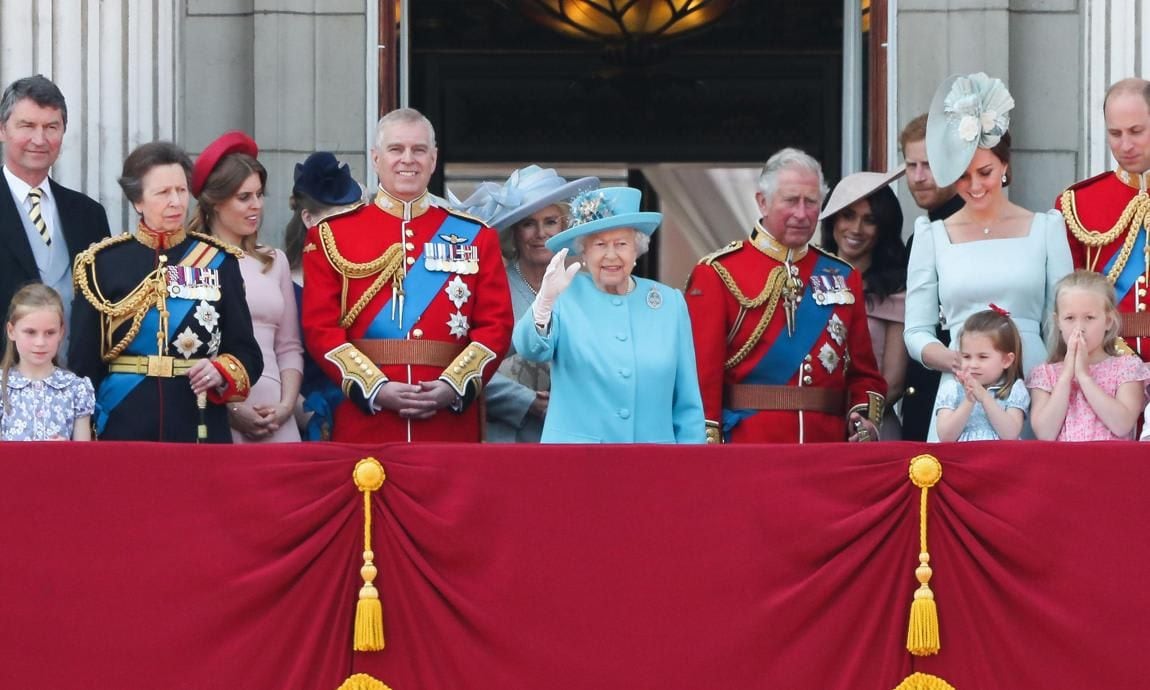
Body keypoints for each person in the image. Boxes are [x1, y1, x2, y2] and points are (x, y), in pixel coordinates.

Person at [301, 108, 513, 442]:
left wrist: (452, 386)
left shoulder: (476, 236)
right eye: (396, 149)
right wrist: (375, 388)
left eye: (418, 150)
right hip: (368, 422)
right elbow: (320, 329)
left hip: (448, 423)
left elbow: (496, 326)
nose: (407, 159)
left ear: (433, 158)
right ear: (375, 158)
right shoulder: (331, 235)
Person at [905, 72, 1073, 441]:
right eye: (963, 177)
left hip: (1032, 381)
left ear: (1005, 166)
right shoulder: (932, 235)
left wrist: (1052, 381)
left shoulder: (1046, 228)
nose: (976, 186)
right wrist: (957, 362)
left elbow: (1060, 319)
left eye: (985, 172)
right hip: (960, 388)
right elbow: (916, 331)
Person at [684, 148, 886, 444]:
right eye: (791, 201)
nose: (802, 214)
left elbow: (864, 374)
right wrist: (708, 450)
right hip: (750, 448)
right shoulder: (717, 273)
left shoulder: (843, 276)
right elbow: (702, 378)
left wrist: (862, 417)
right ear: (762, 202)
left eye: (812, 202)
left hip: (826, 448)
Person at [68, 141, 263, 442]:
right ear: (137, 202)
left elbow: (247, 352)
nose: (176, 202)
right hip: (123, 421)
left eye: (181, 190)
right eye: (163, 193)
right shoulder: (102, 264)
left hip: (197, 422)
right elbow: (83, 362)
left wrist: (221, 370)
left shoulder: (217, 261)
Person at [511, 187, 704, 443]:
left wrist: (690, 467)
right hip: (577, 464)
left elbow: (687, 402)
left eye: (621, 244)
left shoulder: (669, 303)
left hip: (653, 463)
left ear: (637, 250)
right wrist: (544, 301)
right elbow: (530, 348)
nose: (611, 255)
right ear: (584, 251)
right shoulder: (563, 295)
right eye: (600, 244)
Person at [452, 165, 598, 442]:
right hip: (508, 441)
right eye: (528, 224)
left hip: (577, 438)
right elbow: (464, 366)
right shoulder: (491, 288)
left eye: (551, 221)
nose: (540, 233)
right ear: (514, 233)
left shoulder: (587, 290)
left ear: (566, 225)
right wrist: (528, 401)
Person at [189, 131, 303, 443]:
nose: (256, 206)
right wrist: (233, 413)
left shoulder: (274, 260)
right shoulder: (189, 264)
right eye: (244, 197)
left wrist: (286, 406)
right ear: (214, 201)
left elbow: (289, 347)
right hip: (216, 415)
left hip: (277, 419)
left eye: (259, 194)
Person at [0, 75, 110, 359]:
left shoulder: (90, 215)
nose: (39, 139)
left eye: (51, 127)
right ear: (2, 129)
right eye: (27, 126)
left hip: (77, 386)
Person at [1058, 78, 1150, 360]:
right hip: (1106, 362)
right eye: (1115, 133)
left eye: (1136, 131)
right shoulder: (1078, 203)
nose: (1125, 145)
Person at [818, 169, 908, 439]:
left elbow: (893, 382)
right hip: (815, 426)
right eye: (848, 215)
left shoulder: (895, 291)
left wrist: (859, 420)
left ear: (884, 229)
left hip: (872, 430)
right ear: (832, 219)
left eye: (869, 220)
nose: (856, 229)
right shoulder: (806, 278)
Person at [284, 151, 364, 441]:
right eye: (338, 217)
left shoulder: (369, 279)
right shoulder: (283, 284)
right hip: (307, 424)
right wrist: (305, 413)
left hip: (367, 414)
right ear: (308, 218)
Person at [899, 113, 965, 441]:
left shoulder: (968, 229)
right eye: (911, 166)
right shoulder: (920, 235)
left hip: (964, 390)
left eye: (928, 164)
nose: (919, 177)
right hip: (923, 388)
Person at [1028, 271, 1149, 441]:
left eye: (1089, 318)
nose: (1080, 328)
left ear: (1107, 321)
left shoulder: (1127, 368)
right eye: (1069, 318)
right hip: (1061, 465)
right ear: (1058, 322)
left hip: (1110, 463)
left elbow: (1122, 425)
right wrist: (1066, 376)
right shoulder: (1045, 374)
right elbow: (1045, 433)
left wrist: (1084, 377)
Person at [0, 283, 94, 440]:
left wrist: (68, 452)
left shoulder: (76, 389)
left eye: (50, 333)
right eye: (30, 332)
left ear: (61, 333)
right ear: (11, 331)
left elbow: (84, 458)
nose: (40, 342)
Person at [935, 307, 1028, 442]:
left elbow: (1010, 434)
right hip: (961, 459)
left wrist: (984, 397)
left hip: (1000, 459)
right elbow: (945, 437)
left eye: (983, 357)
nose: (973, 364)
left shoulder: (1014, 390)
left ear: (1006, 360)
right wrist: (969, 401)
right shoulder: (952, 389)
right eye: (966, 356)